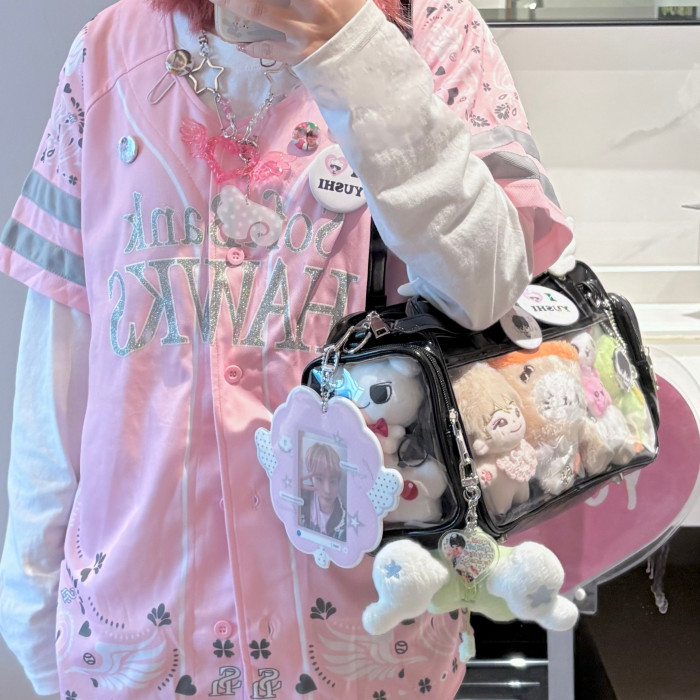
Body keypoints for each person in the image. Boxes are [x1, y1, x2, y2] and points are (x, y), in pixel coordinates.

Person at [0, 0, 574, 697]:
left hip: (369, 645)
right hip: (136, 645)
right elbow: (60, 361)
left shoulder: (435, 34)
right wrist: (29, 607)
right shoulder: (108, 53)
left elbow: (484, 285)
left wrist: (351, 48)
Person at [299, 442, 347, 540]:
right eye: (319, 479)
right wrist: (293, 488)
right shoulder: (300, 498)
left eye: (333, 481)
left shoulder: (345, 519)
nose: (327, 490)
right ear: (311, 478)